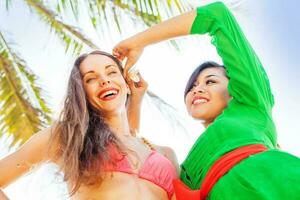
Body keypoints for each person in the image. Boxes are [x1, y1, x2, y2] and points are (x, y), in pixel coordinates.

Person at [113, 2, 300, 199]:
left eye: (210, 81)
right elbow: (130, 147)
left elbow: (217, 15)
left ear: (234, 87)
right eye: (191, 87)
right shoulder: (186, 168)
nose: (198, 89)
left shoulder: (252, 106)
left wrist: (138, 42)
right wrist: (135, 99)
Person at [0, 51, 178, 200]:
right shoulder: (68, 136)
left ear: (127, 82)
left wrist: (136, 101)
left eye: (111, 72)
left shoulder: (165, 153)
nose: (104, 80)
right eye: (91, 78)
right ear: (81, 93)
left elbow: (129, 137)